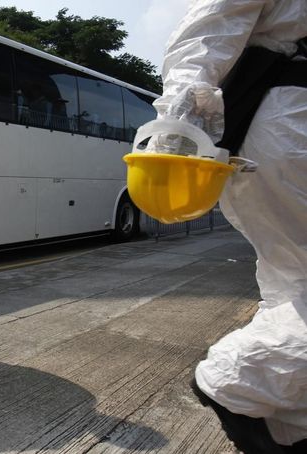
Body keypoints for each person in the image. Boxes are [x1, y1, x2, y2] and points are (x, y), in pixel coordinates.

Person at [152, 1, 307, 452]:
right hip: (289, 127)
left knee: (293, 288)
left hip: (286, 129)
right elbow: (209, 27)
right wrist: (176, 129)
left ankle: (288, 424)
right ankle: (235, 381)